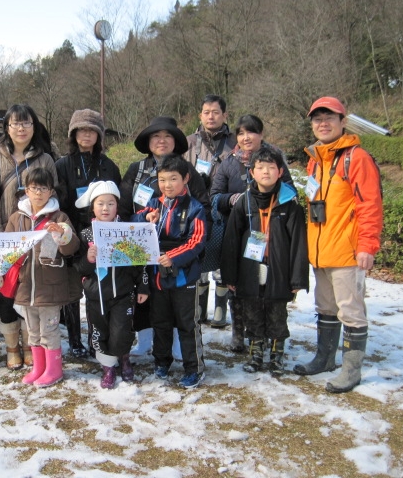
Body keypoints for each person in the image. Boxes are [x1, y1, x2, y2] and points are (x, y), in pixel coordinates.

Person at [293, 96, 383, 393]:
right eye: (317, 119)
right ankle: (325, 358)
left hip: (347, 252)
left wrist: (367, 245)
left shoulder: (356, 158)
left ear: (343, 122)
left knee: (351, 311)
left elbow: (370, 205)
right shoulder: (315, 160)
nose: (323, 124)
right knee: (326, 307)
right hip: (321, 252)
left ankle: (350, 370)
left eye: (329, 118)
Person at [119, 116, 209, 359]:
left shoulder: (187, 170)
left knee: (175, 301)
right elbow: (124, 206)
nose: (162, 140)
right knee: (144, 293)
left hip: (178, 250)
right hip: (140, 242)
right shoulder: (136, 170)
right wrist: (135, 228)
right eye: (156, 136)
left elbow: (203, 205)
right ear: (148, 142)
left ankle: (178, 345)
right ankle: (145, 341)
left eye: (167, 136)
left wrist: (192, 242)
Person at [0, 168, 80, 387]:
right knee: (33, 331)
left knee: (49, 330)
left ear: (51, 191)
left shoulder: (59, 217)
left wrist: (62, 234)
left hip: (51, 287)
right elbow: (5, 252)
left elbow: (71, 249)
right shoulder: (17, 219)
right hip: (25, 286)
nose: (38, 193)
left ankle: (54, 370)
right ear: (26, 190)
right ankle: (39, 367)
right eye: (34, 188)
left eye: (43, 188)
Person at [0, 104, 59, 370]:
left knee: (29, 293)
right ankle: (12, 346)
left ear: (34, 127)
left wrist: (44, 237)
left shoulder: (45, 159)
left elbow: (54, 198)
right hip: (6, 237)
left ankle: (29, 345)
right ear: (7, 127)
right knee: (6, 293)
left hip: (35, 236)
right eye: (16, 123)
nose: (21, 128)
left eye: (27, 123)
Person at [210, 114, 295, 352]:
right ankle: (239, 334)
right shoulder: (229, 162)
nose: (246, 138)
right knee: (237, 285)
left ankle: (266, 335)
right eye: (241, 133)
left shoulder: (274, 157)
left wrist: (269, 196)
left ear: (261, 134)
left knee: (267, 286)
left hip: (271, 233)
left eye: (251, 132)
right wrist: (233, 200)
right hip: (239, 233)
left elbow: (291, 191)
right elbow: (215, 196)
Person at [221, 147, 309, 374]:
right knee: (252, 312)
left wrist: (297, 279)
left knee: (277, 314)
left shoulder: (289, 203)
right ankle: (256, 354)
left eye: (271, 167)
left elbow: (299, 243)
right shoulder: (244, 202)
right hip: (250, 268)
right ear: (252, 172)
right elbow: (231, 240)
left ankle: (276, 356)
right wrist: (230, 276)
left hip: (279, 268)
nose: (266, 172)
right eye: (260, 167)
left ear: (281, 172)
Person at [131, 154, 207, 389]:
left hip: (184, 275)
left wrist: (173, 257)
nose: (167, 185)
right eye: (162, 180)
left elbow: (197, 241)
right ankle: (162, 362)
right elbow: (134, 223)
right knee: (160, 321)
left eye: (173, 179)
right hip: (157, 276)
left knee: (187, 324)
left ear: (185, 179)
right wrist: (146, 218)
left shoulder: (195, 207)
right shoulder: (154, 204)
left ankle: (194, 368)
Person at [56, 109, 122, 358]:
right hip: (74, 234)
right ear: (73, 134)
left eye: (92, 130)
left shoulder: (108, 166)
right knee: (72, 289)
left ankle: (98, 340)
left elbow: (118, 202)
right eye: (81, 130)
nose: (86, 135)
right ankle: (75, 340)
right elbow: (60, 203)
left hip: (103, 236)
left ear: (99, 135)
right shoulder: (62, 165)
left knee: (100, 290)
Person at [73, 181, 149, 389]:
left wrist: (142, 286)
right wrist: (88, 259)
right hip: (96, 295)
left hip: (123, 294)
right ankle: (108, 367)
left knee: (122, 330)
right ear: (93, 207)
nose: (105, 208)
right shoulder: (86, 234)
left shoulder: (127, 231)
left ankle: (124, 359)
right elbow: (79, 268)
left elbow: (140, 262)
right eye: (100, 204)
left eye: (110, 203)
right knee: (100, 331)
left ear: (117, 206)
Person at [183, 94, 237, 328]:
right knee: (199, 257)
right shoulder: (188, 143)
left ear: (225, 115)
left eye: (216, 112)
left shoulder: (235, 142)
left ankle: (220, 310)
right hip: (196, 208)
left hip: (225, 208)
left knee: (223, 259)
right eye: (206, 112)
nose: (211, 117)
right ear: (200, 115)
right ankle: (199, 307)